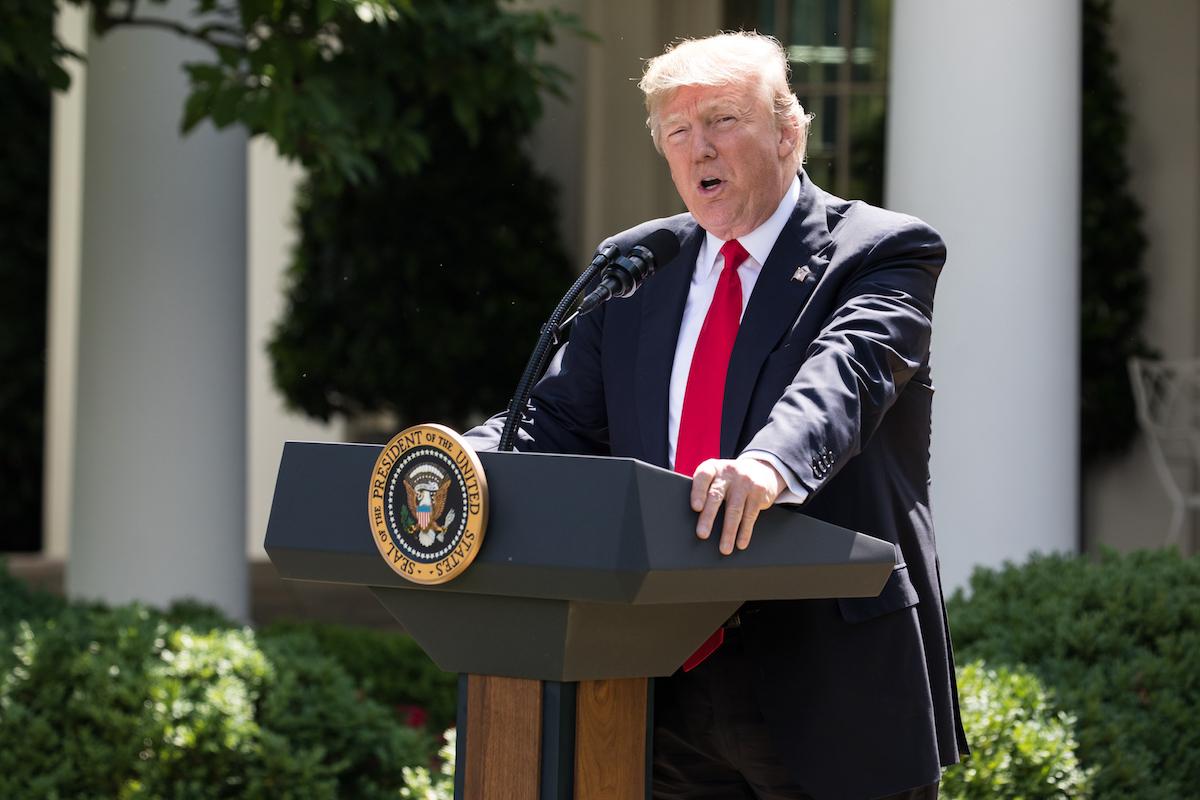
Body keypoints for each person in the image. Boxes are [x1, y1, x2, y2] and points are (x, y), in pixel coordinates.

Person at [468, 31, 967, 800]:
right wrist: (453, 460)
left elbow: (847, 376)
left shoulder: (878, 251)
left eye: (724, 122)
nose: (700, 148)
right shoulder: (638, 265)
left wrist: (768, 465)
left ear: (788, 132)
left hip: (825, 678)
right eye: (678, 131)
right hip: (652, 678)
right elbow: (554, 422)